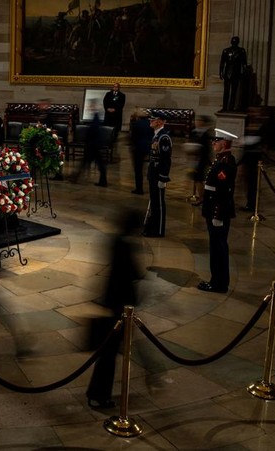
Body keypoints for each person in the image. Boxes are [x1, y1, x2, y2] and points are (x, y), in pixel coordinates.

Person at [86, 209, 142, 409]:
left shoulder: (117, 242)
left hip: (114, 304)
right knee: (108, 356)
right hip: (119, 307)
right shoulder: (124, 246)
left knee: (108, 354)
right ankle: (99, 395)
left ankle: (96, 392)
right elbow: (133, 273)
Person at [198, 129, 237, 294]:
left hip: (217, 212)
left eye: (217, 140)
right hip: (213, 210)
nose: (213, 143)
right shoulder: (221, 160)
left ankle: (219, 284)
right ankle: (217, 281)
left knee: (218, 249)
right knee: (216, 248)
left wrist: (217, 215)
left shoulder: (226, 162)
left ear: (225, 143)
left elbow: (223, 192)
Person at [142, 112, 172, 238]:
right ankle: (152, 227)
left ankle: (158, 230)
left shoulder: (163, 137)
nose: (151, 121)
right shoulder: (156, 136)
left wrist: (163, 177)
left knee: (158, 203)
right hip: (153, 173)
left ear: (160, 121)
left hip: (158, 174)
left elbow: (166, 159)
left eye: (153, 120)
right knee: (154, 202)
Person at [188, 116, 215, 205]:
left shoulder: (206, 134)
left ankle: (202, 198)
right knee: (197, 179)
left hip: (202, 160)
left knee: (199, 179)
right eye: (196, 120)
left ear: (203, 123)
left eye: (199, 121)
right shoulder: (195, 132)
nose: (197, 122)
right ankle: (202, 197)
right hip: (195, 159)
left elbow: (207, 149)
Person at [128, 108, 153, 195]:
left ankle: (139, 189)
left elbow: (133, 138)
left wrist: (132, 147)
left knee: (138, 170)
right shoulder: (150, 124)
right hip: (148, 147)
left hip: (138, 148)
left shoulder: (136, 124)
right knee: (147, 169)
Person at [220, 36, 247, 111]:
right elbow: (222, 63)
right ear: (231, 42)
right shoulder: (226, 51)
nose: (234, 43)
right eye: (233, 41)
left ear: (237, 42)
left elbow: (244, 63)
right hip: (228, 73)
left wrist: (244, 72)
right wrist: (221, 72)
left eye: (235, 41)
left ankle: (232, 107)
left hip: (236, 73)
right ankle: (225, 107)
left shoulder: (241, 51)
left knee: (234, 92)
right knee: (226, 91)